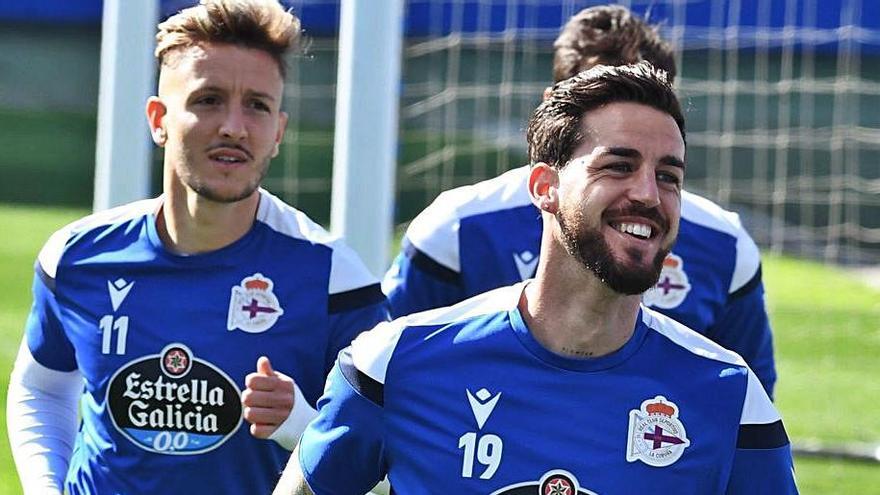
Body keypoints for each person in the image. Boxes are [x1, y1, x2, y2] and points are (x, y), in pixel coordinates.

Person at [274, 62, 798, 494]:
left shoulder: (729, 397)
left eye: (669, 176)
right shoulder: (397, 361)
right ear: (545, 187)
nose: (648, 194)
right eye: (617, 165)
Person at [6, 1, 388, 494]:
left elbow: (397, 465)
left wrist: (301, 425)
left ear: (278, 133)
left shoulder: (333, 277)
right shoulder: (78, 257)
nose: (234, 126)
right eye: (208, 100)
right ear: (158, 119)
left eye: (257, 105)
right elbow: (43, 386)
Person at [383, 4, 777, 396]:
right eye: (600, 99)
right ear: (553, 106)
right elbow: (393, 379)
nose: (643, 193)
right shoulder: (456, 228)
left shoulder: (726, 245)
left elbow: (746, 405)